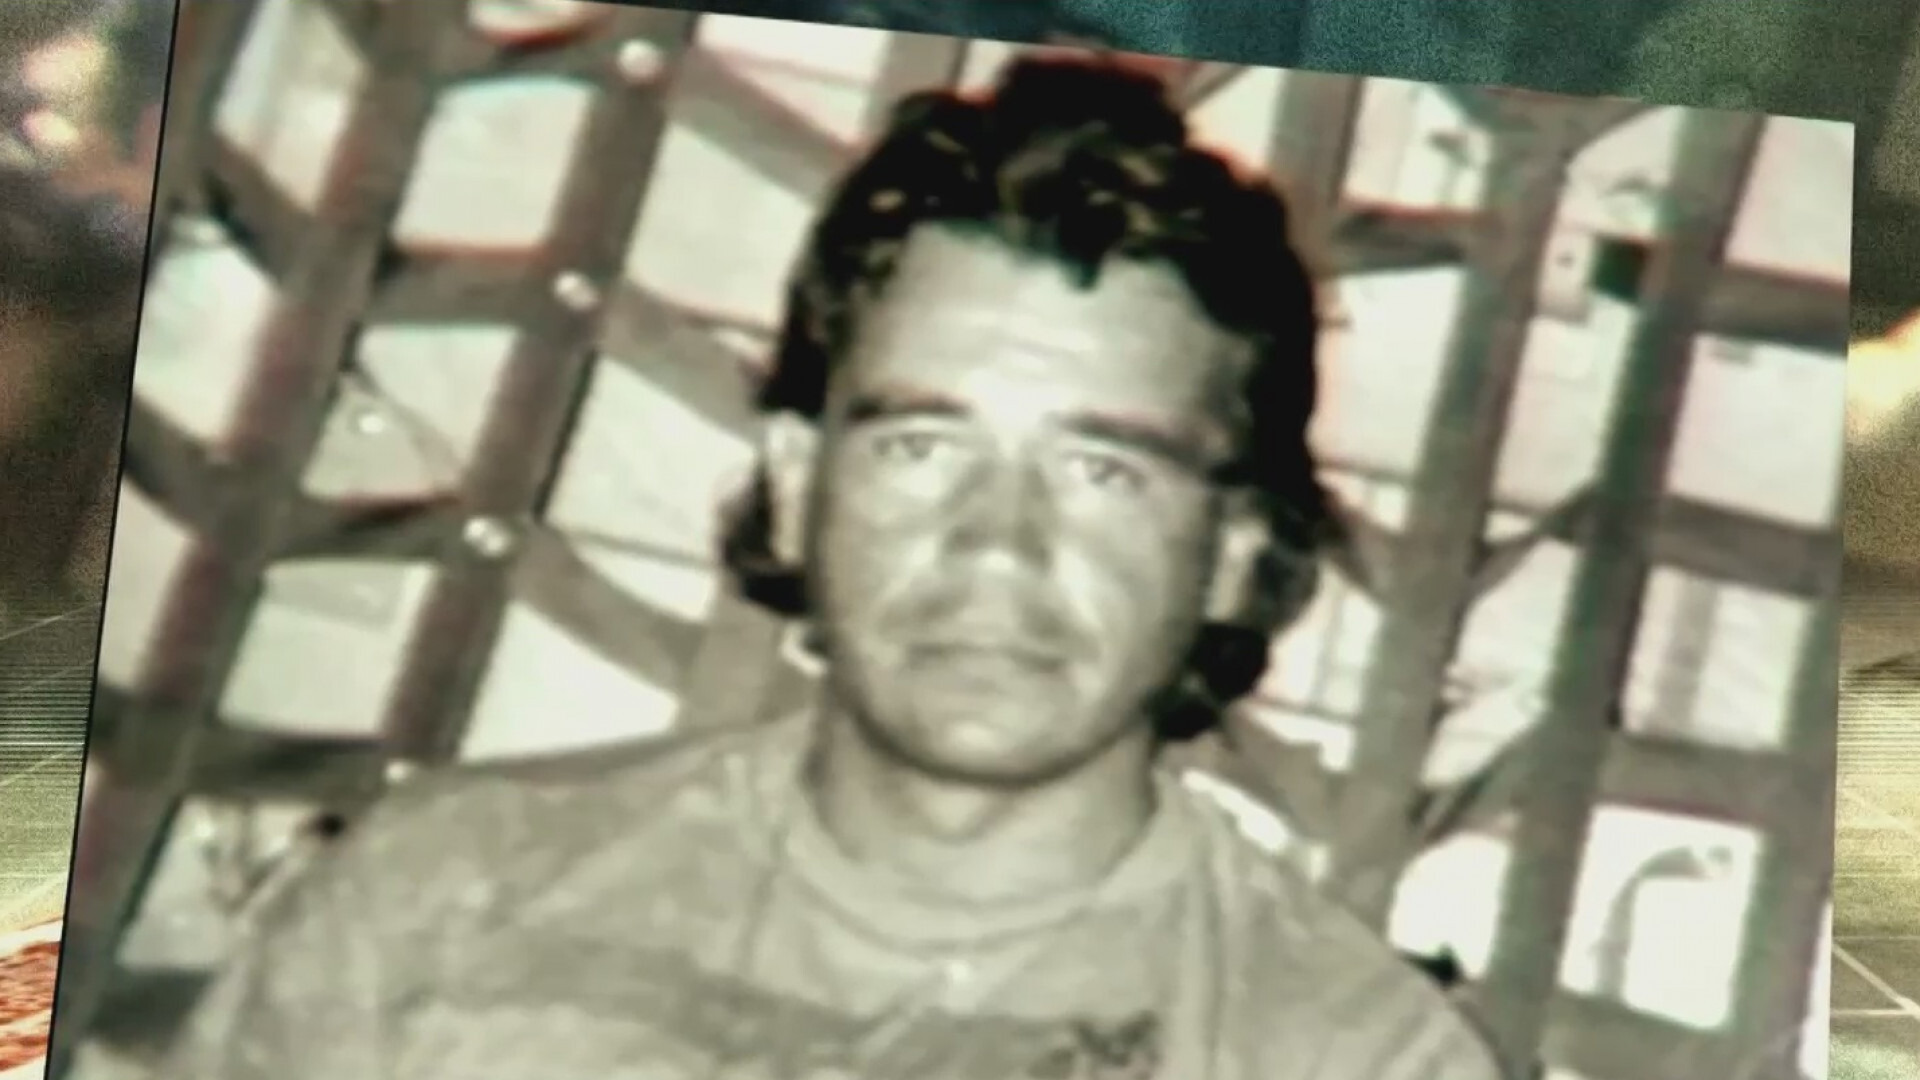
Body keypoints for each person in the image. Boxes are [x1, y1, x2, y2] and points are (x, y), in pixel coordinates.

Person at [155, 57, 1503, 1080]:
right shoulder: (431, 905)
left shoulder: (1352, 1056)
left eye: (1105, 471)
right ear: (797, 489)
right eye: (922, 446)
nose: (998, 542)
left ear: (1234, 556)